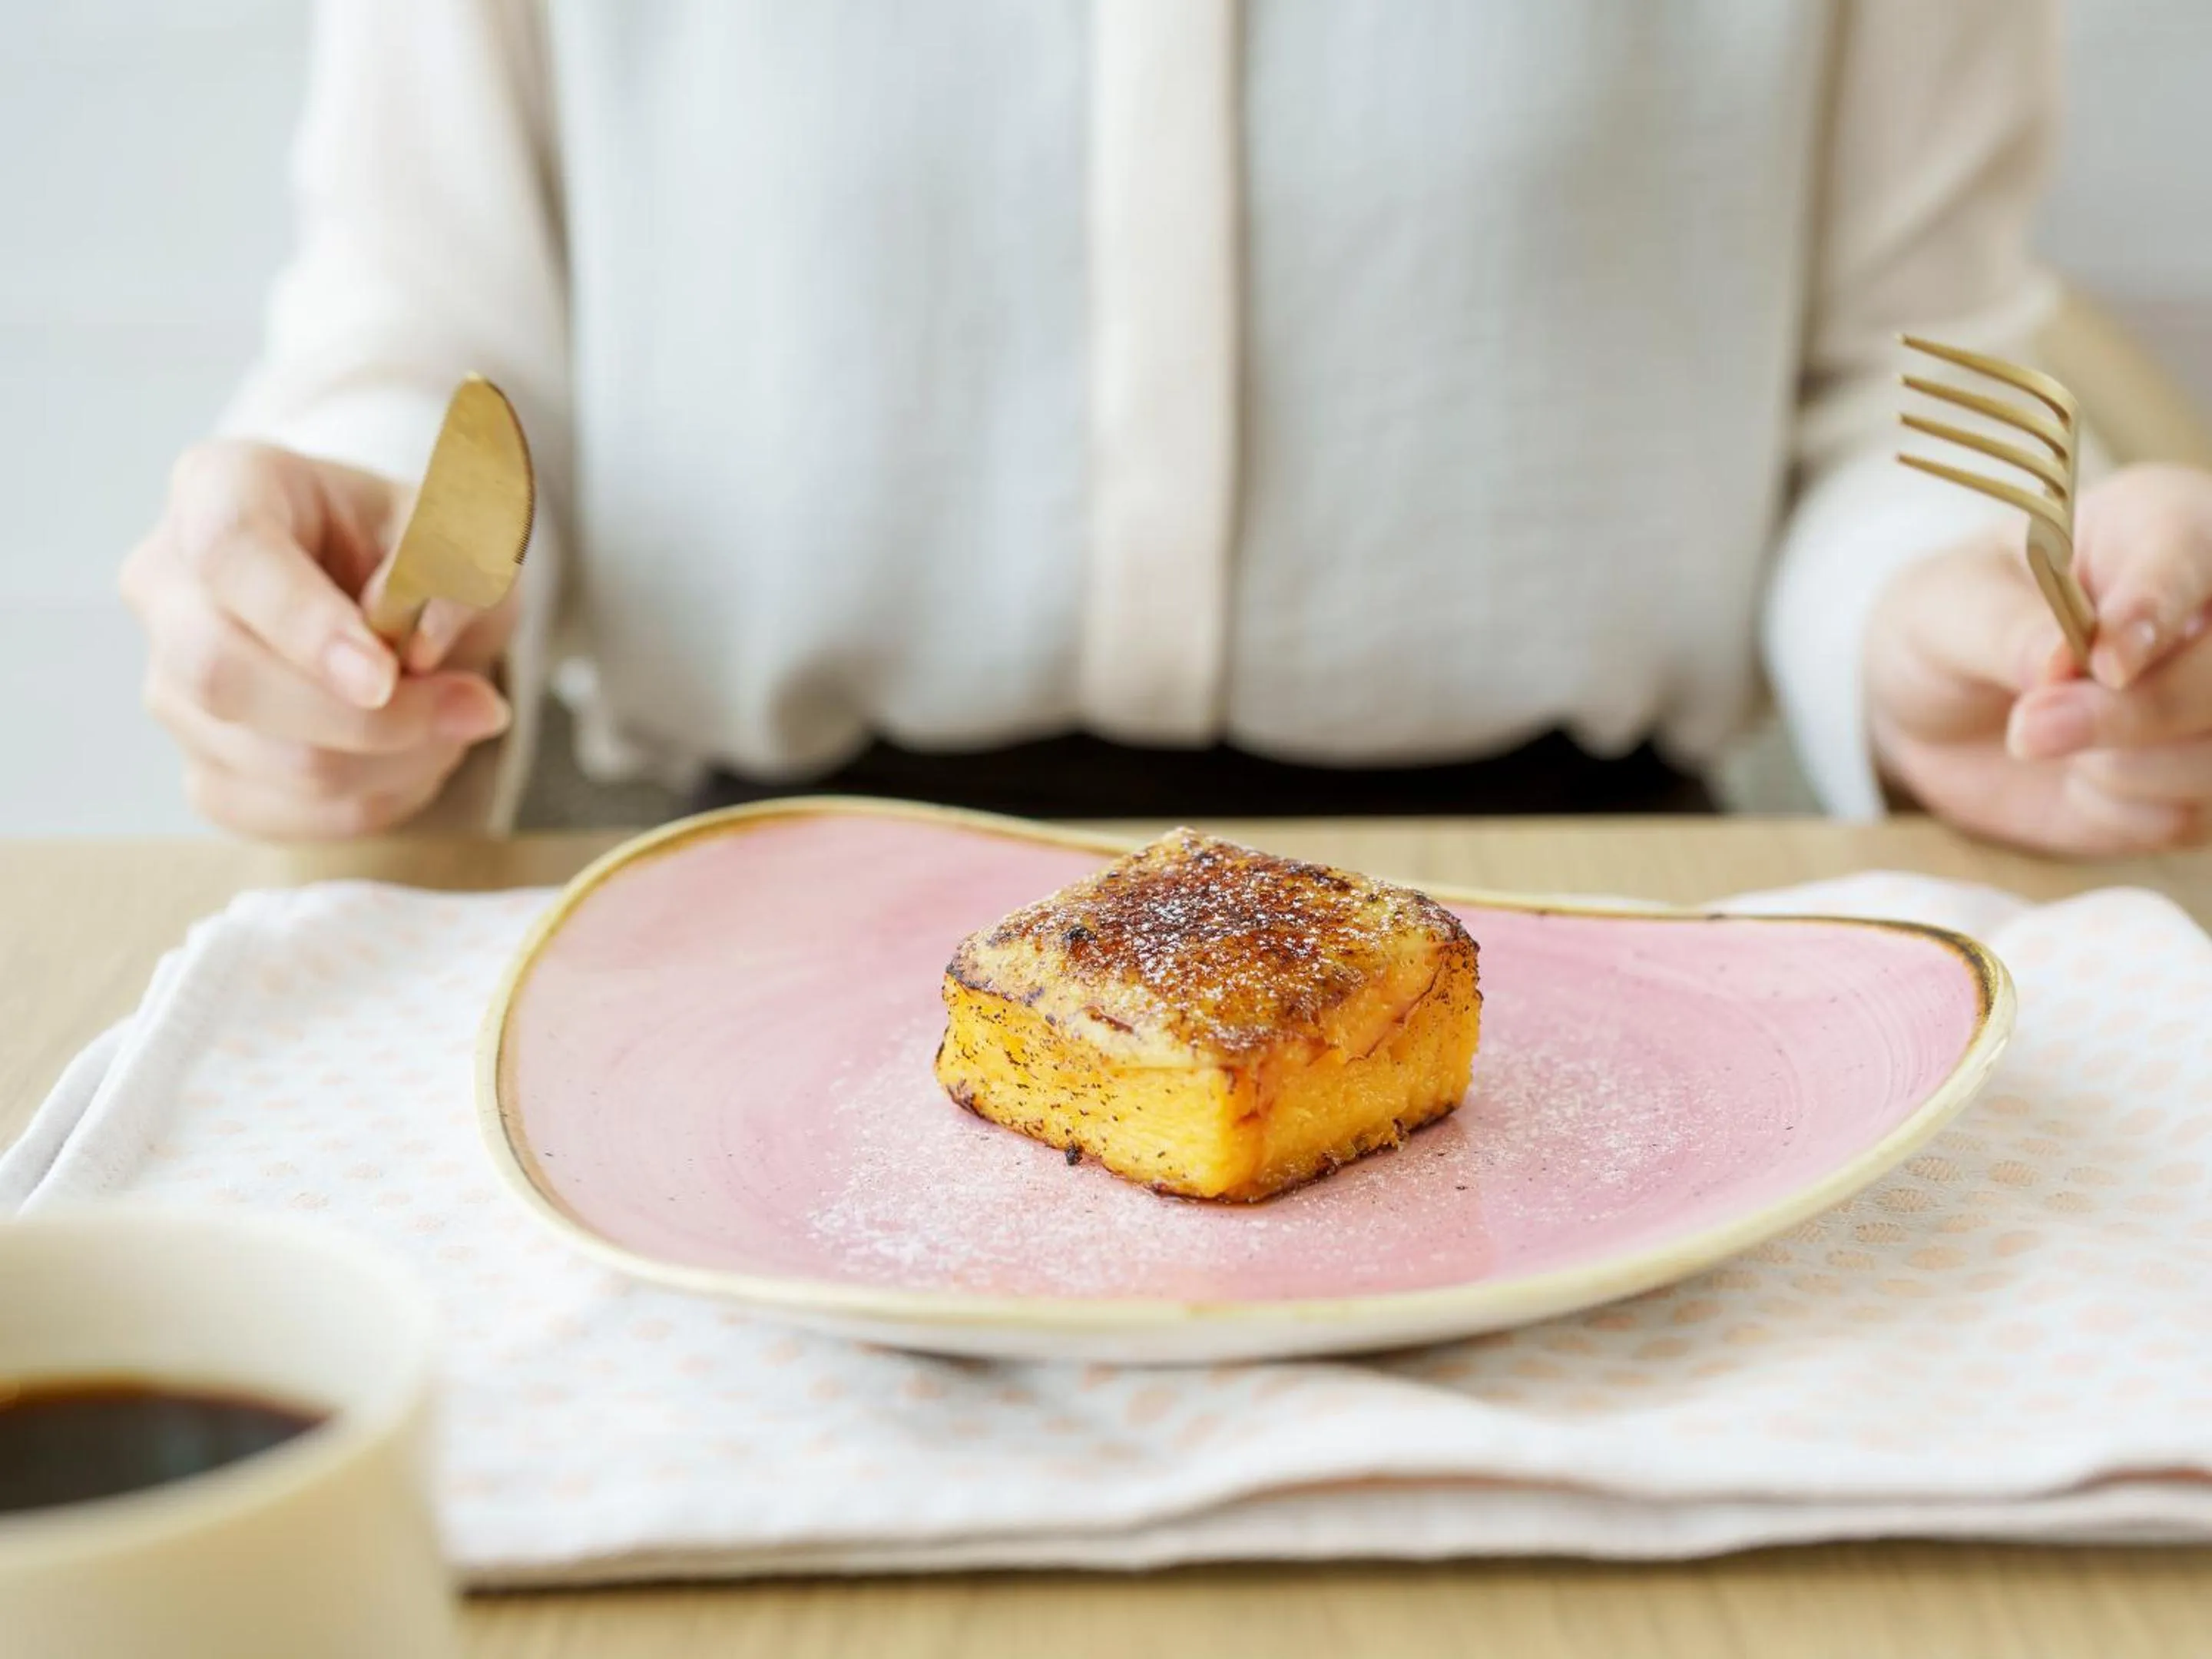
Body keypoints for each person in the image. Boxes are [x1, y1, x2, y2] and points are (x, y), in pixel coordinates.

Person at [118, 1, 2212, 853]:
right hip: (720, 914)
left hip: (1580, 917)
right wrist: (361, 596)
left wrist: (1951, 626)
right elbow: (439, 329)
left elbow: (1901, 379)